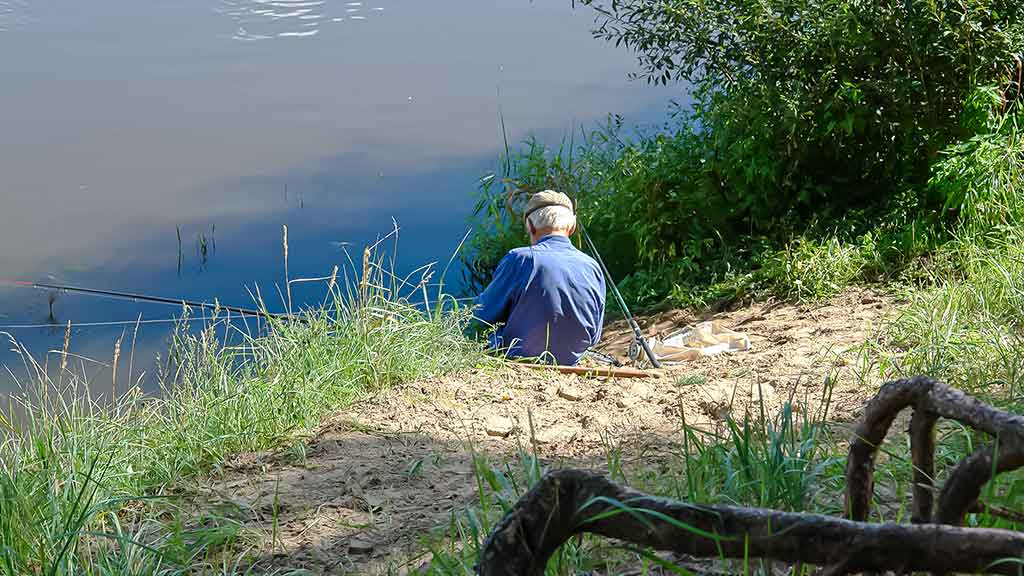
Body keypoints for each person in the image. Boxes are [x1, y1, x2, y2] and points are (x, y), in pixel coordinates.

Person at [474, 190, 606, 365]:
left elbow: (482, 313)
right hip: (572, 361)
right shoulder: (592, 267)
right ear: (572, 227)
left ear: (530, 225)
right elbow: (595, 336)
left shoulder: (520, 259)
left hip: (518, 359)